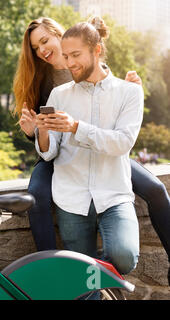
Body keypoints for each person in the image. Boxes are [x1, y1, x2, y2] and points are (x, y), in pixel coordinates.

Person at [13, 17, 170, 282]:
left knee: (154, 189)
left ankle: (89, 273)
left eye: (44, 41)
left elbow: (113, 114)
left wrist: (132, 89)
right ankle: (51, 268)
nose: (42, 50)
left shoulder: (101, 70)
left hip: (103, 157)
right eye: (36, 47)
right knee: (37, 195)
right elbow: (48, 143)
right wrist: (36, 130)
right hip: (61, 160)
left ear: (57, 34)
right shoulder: (44, 81)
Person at [35, 17, 141, 276]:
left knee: (124, 256)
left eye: (76, 55)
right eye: (66, 56)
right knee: (81, 278)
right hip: (71, 198)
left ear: (96, 50)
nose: (69, 63)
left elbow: (122, 143)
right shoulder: (60, 95)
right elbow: (50, 152)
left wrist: (76, 127)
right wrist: (43, 132)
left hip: (114, 195)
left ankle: (98, 279)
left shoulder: (129, 92)